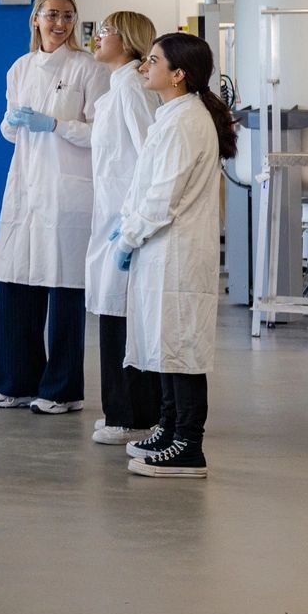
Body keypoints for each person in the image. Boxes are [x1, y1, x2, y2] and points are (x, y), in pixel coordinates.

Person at [116, 33, 237, 480]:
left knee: (182, 348)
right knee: (167, 343)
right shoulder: (174, 115)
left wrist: (127, 237)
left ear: (179, 74)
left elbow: (162, 196)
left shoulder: (186, 121)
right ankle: (169, 428)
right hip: (163, 250)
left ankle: (188, 445)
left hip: (177, 251)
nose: (144, 67)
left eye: (153, 61)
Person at [0, 0, 110, 414]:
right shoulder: (19, 68)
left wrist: (55, 124)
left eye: (69, 16)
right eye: (52, 14)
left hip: (68, 189)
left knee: (64, 287)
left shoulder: (88, 69)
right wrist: (11, 123)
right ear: (35, 18)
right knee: (18, 281)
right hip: (26, 185)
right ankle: (15, 382)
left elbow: (100, 134)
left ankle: (62, 389)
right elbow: (10, 129)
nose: (60, 24)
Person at [81, 11, 162, 445]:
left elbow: (150, 153)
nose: (96, 38)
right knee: (114, 316)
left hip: (125, 219)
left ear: (128, 40)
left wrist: (134, 221)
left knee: (123, 319)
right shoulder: (117, 87)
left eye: (106, 32)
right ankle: (120, 409)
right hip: (112, 215)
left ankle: (131, 416)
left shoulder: (132, 85)